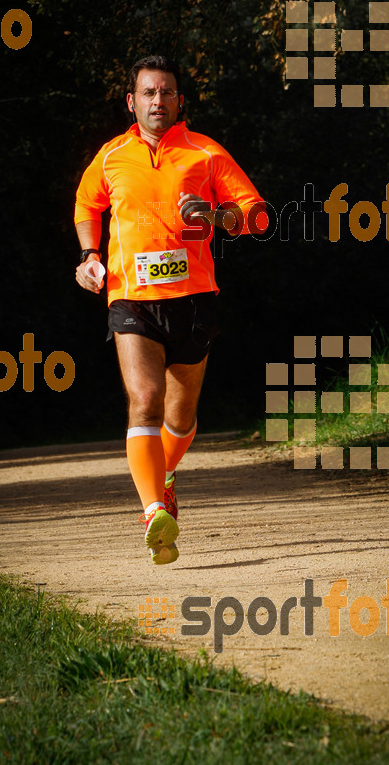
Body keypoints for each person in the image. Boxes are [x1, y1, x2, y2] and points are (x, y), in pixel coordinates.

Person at [74, 54, 266, 564]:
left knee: (180, 418)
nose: (158, 101)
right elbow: (85, 205)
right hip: (130, 298)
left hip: (194, 299)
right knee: (145, 399)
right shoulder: (112, 156)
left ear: (180, 100)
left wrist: (219, 215)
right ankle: (153, 509)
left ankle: (167, 474)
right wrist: (90, 256)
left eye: (167, 93)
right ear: (131, 101)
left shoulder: (204, 153)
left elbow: (257, 216)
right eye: (149, 93)